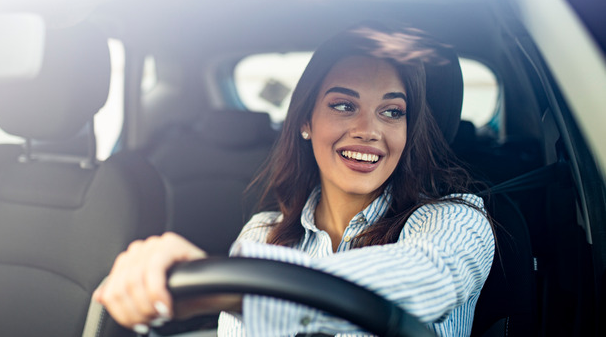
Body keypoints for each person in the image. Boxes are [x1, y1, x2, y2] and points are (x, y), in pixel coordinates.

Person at [93, 24, 495, 336]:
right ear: (306, 120)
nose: (368, 130)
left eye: (392, 112)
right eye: (343, 105)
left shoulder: (457, 221)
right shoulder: (262, 235)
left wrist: (238, 289)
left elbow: (428, 278)